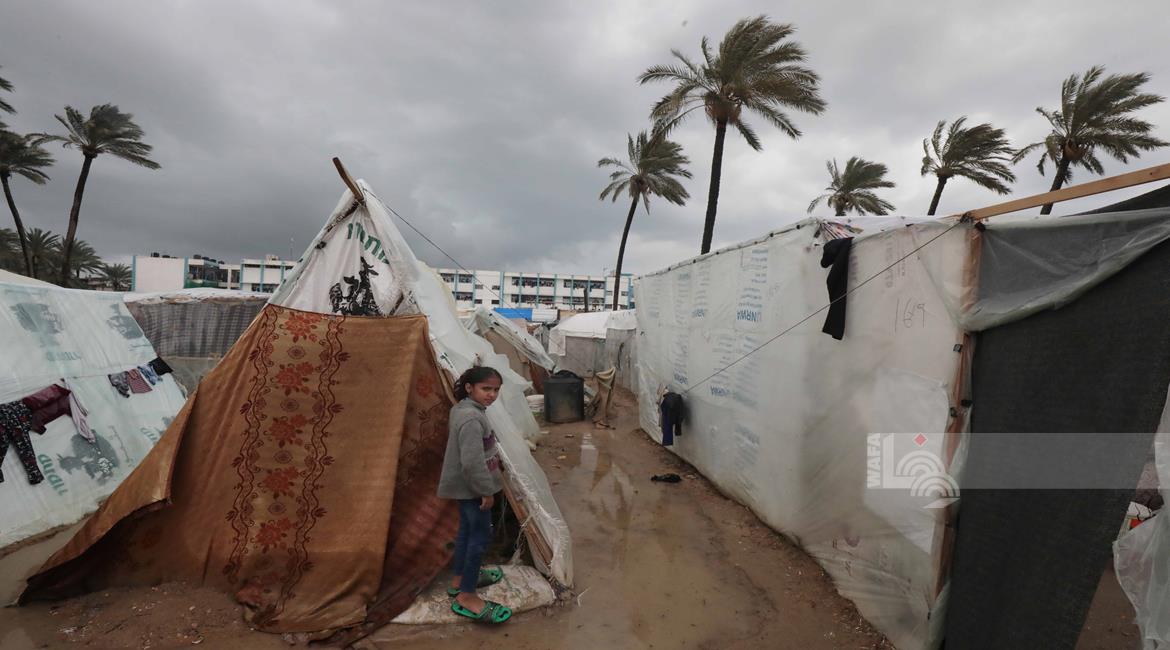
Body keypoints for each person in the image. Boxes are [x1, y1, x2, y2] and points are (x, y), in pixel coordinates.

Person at [437, 365, 512, 624]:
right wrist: (486, 492)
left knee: (467, 532)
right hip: (473, 489)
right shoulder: (472, 419)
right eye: (486, 388)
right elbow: (471, 463)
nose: (492, 394)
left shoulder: (464, 409)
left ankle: (460, 579)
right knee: (479, 538)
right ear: (470, 388)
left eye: (496, 390)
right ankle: (467, 595)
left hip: (465, 487)